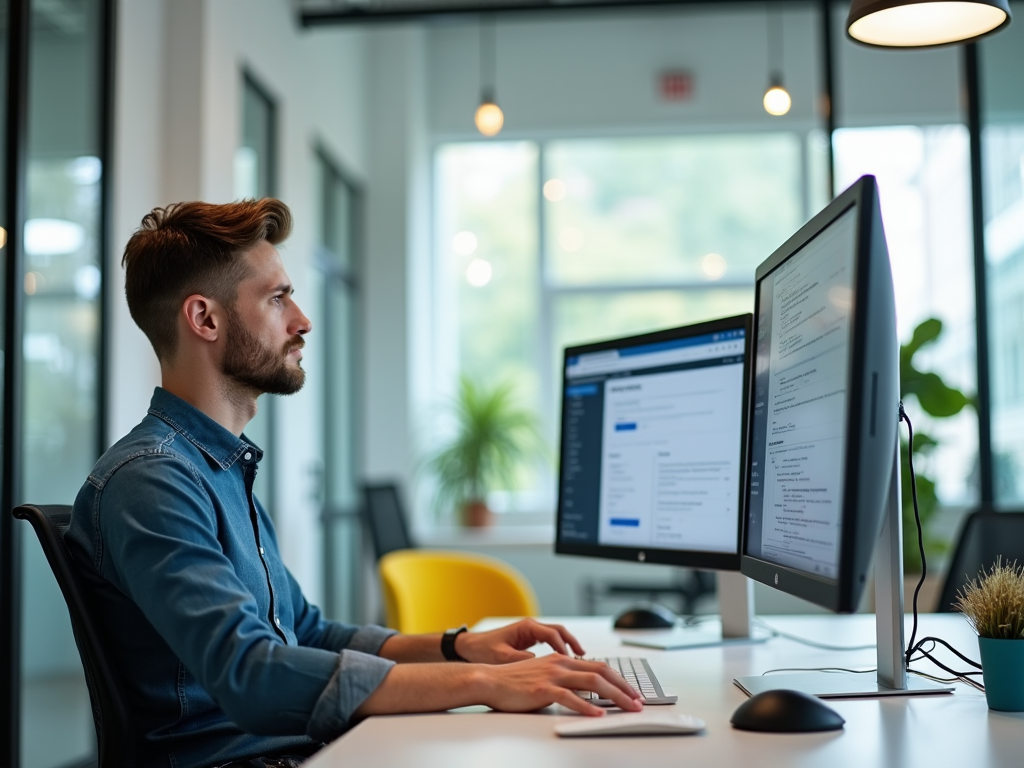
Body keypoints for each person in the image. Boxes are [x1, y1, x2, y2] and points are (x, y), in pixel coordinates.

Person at [66, 198, 641, 768]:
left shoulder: (218, 468)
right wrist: (481, 683)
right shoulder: (154, 481)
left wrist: (458, 648)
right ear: (205, 319)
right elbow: (251, 674)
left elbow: (308, 632)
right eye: (277, 297)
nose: (303, 320)